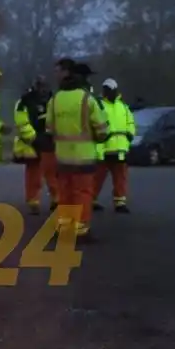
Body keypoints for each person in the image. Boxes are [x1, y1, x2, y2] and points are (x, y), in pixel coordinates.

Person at [46, 62, 109, 240]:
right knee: (82, 193)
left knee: (65, 193)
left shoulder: (55, 99)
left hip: (62, 157)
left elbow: (49, 128)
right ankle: (81, 230)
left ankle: (64, 228)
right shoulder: (87, 99)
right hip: (83, 157)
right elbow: (102, 129)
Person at [13, 76, 56, 214]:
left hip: (50, 141)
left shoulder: (53, 100)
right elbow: (21, 122)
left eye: (44, 86)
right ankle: (33, 201)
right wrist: (33, 138)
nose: (43, 89)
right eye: (40, 86)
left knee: (54, 174)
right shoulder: (25, 101)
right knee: (34, 174)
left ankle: (57, 199)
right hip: (33, 142)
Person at [93, 78, 135, 213]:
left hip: (120, 148)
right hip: (104, 149)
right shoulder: (99, 105)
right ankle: (92, 200)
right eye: (105, 89)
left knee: (120, 177)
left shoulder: (123, 106)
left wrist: (130, 135)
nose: (107, 92)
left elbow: (130, 123)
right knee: (97, 177)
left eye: (109, 89)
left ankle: (120, 202)